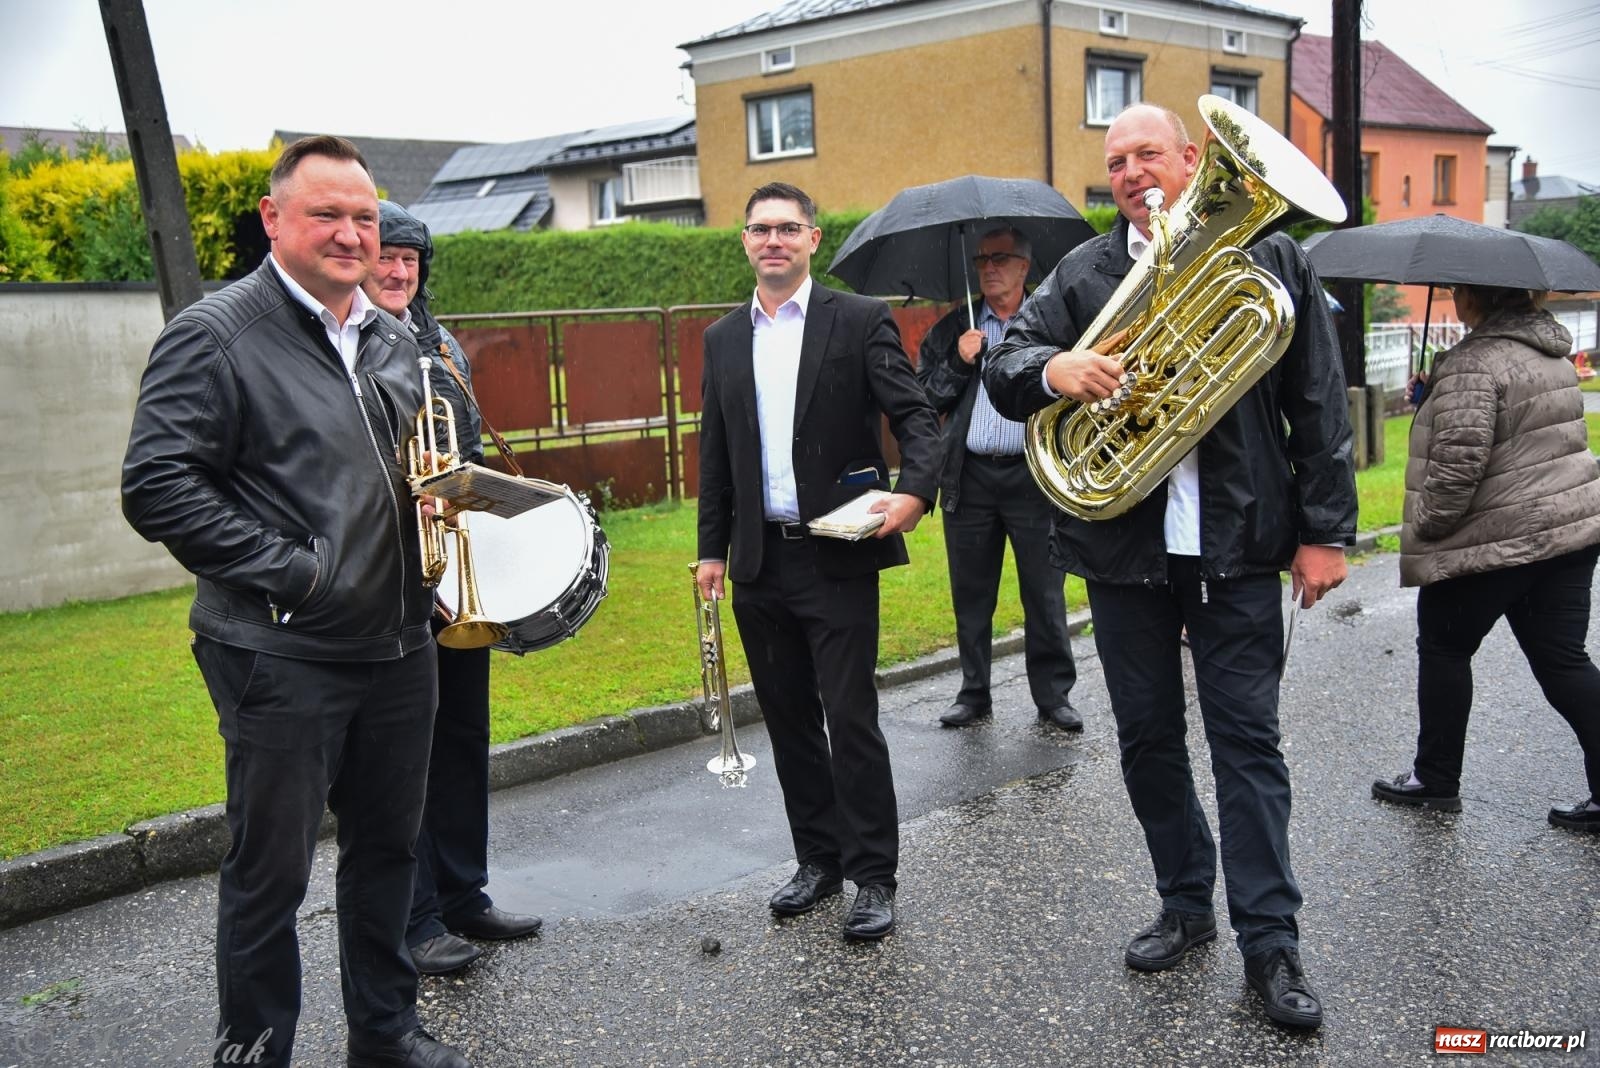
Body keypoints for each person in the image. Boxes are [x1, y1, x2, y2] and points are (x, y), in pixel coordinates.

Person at [982, 104, 1357, 1030]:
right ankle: (1184, 903)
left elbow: (1317, 399)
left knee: (1248, 744)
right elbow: (1007, 366)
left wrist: (1327, 532)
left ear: (1194, 160)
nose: (1131, 171)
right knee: (1148, 740)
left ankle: (1271, 942)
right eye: (1115, 161)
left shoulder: (1270, 256)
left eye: (1148, 153)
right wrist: (1054, 369)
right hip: (1124, 552)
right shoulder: (1083, 271)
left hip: (1235, 546)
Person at [121, 137, 468, 1068]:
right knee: (271, 873)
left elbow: (417, 471)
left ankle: (385, 1033)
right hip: (284, 651)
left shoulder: (396, 338)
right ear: (274, 219)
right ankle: (258, 1048)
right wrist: (299, 573)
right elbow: (156, 484)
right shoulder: (216, 333)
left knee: (390, 852)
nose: (353, 234)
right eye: (328, 214)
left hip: (401, 645)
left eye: (364, 216)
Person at [695, 181, 941, 940]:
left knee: (850, 717)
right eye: (760, 229)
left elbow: (917, 417)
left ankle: (874, 875)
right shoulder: (722, 338)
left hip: (837, 555)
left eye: (788, 228)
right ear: (745, 241)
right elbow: (714, 453)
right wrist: (711, 550)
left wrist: (915, 494)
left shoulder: (860, 320)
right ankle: (819, 859)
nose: (773, 240)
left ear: (812, 240)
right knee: (790, 720)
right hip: (758, 561)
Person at [362, 201, 543, 979]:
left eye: (410, 261)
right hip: (386, 584)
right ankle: (416, 915)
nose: (399, 272)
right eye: (386, 258)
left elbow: (461, 451)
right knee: (403, 757)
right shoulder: (341, 346)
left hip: (455, 577)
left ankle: (464, 892)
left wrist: (500, 501)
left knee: (464, 740)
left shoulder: (441, 345)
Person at [1372, 283, 1600, 831]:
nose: (1452, 297)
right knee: (1563, 663)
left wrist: (1426, 525)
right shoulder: (1550, 352)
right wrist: (1436, 396)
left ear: (1474, 297)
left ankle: (1436, 778)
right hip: (1568, 532)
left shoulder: (1473, 363)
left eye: (1455, 290)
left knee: (1445, 647)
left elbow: (1456, 468)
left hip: (1497, 539)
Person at [916, 226, 1080, 731]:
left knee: (1044, 593)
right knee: (971, 593)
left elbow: (1073, 395)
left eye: (1000, 258)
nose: (988, 267)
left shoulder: (1051, 323)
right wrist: (959, 363)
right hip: (970, 479)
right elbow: (923, 401)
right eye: (982, 259)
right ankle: (973, 693)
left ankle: (1053, 697)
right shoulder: (953, 331)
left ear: (1024, 267)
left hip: (1034, 477)